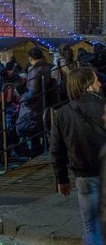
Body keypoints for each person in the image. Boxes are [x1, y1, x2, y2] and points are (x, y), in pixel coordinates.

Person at [50, 67, 106, 245]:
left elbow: (56, 150)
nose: (100, 83)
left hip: (84, 176)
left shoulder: (62, 113)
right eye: (96, 79)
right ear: (87, 84)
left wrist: (61, 179)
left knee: (91, 226)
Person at [17, 47, 57, 157]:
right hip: (42, 106)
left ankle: (36, 154)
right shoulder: (46, 67)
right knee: (39, 132)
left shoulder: (35, 70)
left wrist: (22, 98)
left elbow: (32, 92)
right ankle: (41, 151)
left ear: (30, 58)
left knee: (31, 131)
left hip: (34, 108)